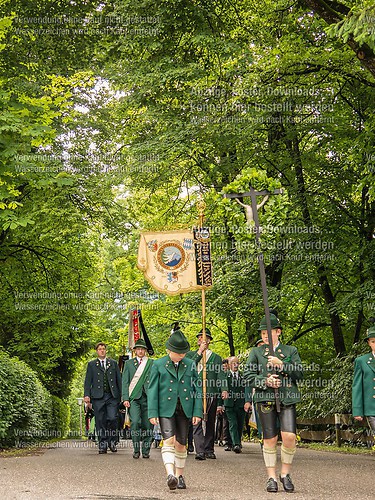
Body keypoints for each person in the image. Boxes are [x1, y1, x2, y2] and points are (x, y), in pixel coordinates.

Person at [244, 313, 303, 493]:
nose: (265, 336)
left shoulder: (290, 350)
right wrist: (265, 381)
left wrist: (282, 364)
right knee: (270, 439)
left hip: (286, 398)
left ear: (278, 332)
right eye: (262, 334)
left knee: (289, 437)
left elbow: (300, 373)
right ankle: (271, 477)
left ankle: (285, 474)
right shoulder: (256, 352)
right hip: (265, 398)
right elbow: (248, 375)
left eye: (268, 333)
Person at [148, 328, 202, 491]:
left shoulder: (191, 364)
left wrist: (197, 412)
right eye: (179, 353)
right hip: (165, 409)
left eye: (184, 353)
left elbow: (197, 389)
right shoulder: (158, 364)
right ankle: (170, 474)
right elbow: (152, 390)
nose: (182, 356)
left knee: (181, 444)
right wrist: (152, 412)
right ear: (169, 350)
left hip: (185, 409)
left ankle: (179, 475)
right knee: (169, 441)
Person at [186, 328, 228, 460]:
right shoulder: (190, 355)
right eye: (199, 337)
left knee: (210, 421)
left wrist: (224, 389)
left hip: (211, 392)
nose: (201, 340)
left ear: (209, 340)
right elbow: (189, 366)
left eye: (204, 338)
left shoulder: (216, 358)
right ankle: (199, 449)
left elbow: (220, 375)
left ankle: (209, 448)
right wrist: (200, 352)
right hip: (195, 393)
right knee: (196, 420)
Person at [84, 342, 122, 454]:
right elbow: (88, 381)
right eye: (100, 349)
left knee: (113, 418)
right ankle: (103, 444)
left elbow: (118, 380)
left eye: (103, 349)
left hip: (112, 396)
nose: (102, 351)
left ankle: (112, 442)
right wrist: (87, 395)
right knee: (100, 421)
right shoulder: (91, 365)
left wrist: (122, 395)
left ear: (106, 350)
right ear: (97, 351)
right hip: (97, 397)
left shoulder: (113, 363)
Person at [122, 338, 154, 459]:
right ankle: (136, 449)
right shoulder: (128, 364)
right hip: (134, 398)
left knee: (148, 424)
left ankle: (146, 450)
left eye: (142, 349)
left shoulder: (151, 363)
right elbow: (125, 382)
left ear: (145, 351)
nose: (140, 351)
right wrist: (125, 398)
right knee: (135, 422)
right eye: (138, 349)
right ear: (135, 351)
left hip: (148, 398)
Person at [352, 322, 375, 440]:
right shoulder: (361, 361)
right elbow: (357, 386)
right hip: (371, 407)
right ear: (369, 343)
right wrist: (357, 410)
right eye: (373, 341)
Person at [224, 356, 246, 453]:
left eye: (237, 363)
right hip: (229, 404)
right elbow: (221, 390)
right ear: (229, 365)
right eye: (233, 363)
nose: (236, 365)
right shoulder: (225, 376)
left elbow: (247, 389)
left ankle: (237, 442)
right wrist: (220, 405)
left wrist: (247, 402)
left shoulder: (243, 375)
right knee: (233, 423)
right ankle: (236, 444)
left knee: (240, 424)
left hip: (241, 404)